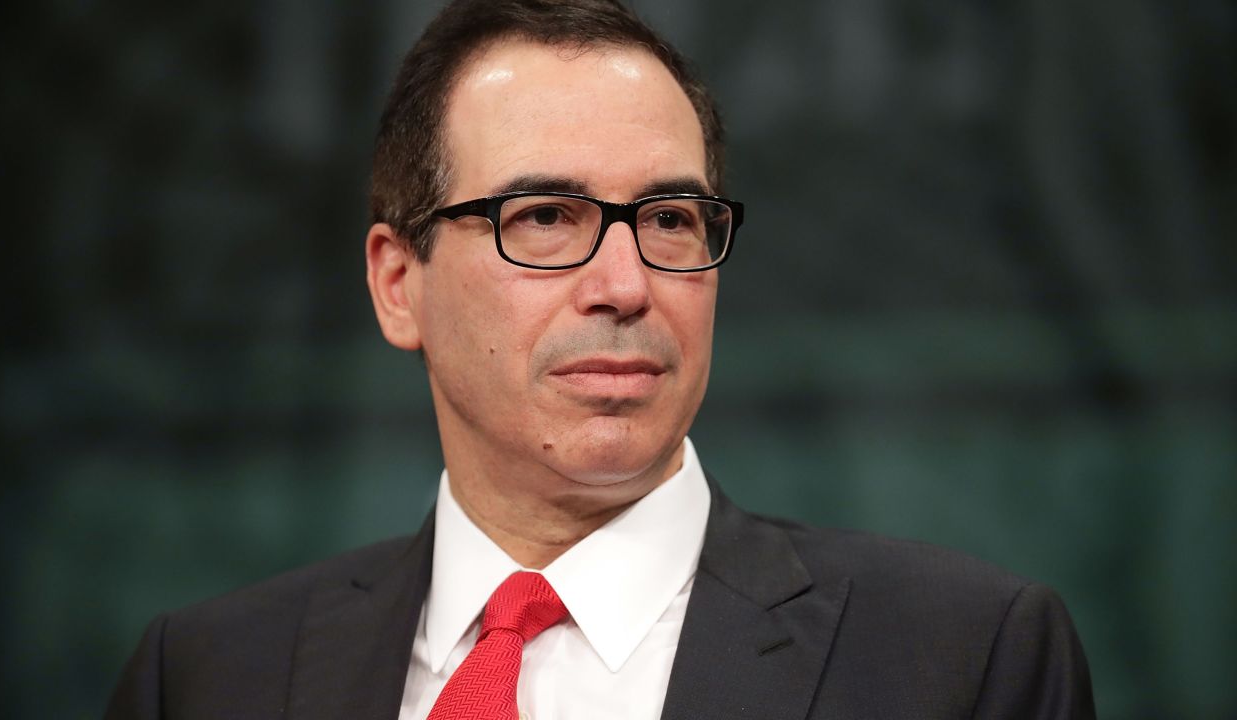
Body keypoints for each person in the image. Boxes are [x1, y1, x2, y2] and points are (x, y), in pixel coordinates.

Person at [105, 0, 1096, 717]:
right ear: (397, 281)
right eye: (543, 217)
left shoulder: (961, 660)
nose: (625, 284)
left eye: (668, 219)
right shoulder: (203, 678)